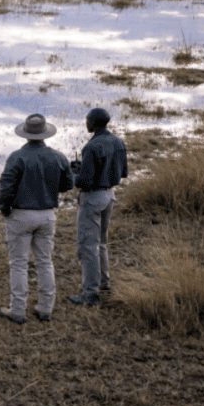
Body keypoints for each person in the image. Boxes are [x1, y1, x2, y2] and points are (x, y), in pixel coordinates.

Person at [0, 113, 74, 324]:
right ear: (44, 133)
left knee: (19, 263)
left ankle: (18, 309)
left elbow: (7, 187)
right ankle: (45, 307)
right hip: (47, 214)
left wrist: (5, 209)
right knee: (44, 261)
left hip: (21, 214)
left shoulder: (17, 157)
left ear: (26, 134)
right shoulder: (58, 157)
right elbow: (68, 185)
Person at [69, 107, 128, 306]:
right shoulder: (118, 142)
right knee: (101, 242)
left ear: (93, 123)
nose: (86, 123)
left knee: (88, 246)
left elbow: (84, 182)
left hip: (92, 198)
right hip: (109, 195)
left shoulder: (91, 147)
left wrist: (74, 174)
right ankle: (104, 283)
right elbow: (123, 172)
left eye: (87, 120)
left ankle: (90, 293)